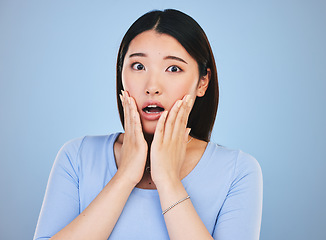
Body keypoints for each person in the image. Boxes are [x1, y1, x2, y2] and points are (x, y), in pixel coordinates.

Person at [33, 9, 263, 240]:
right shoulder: (77, 156)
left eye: (173, 68)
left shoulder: (238, 171)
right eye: (138, 66)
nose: (152, 86)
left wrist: (168, 180)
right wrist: (125, 176)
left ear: (203, 82)